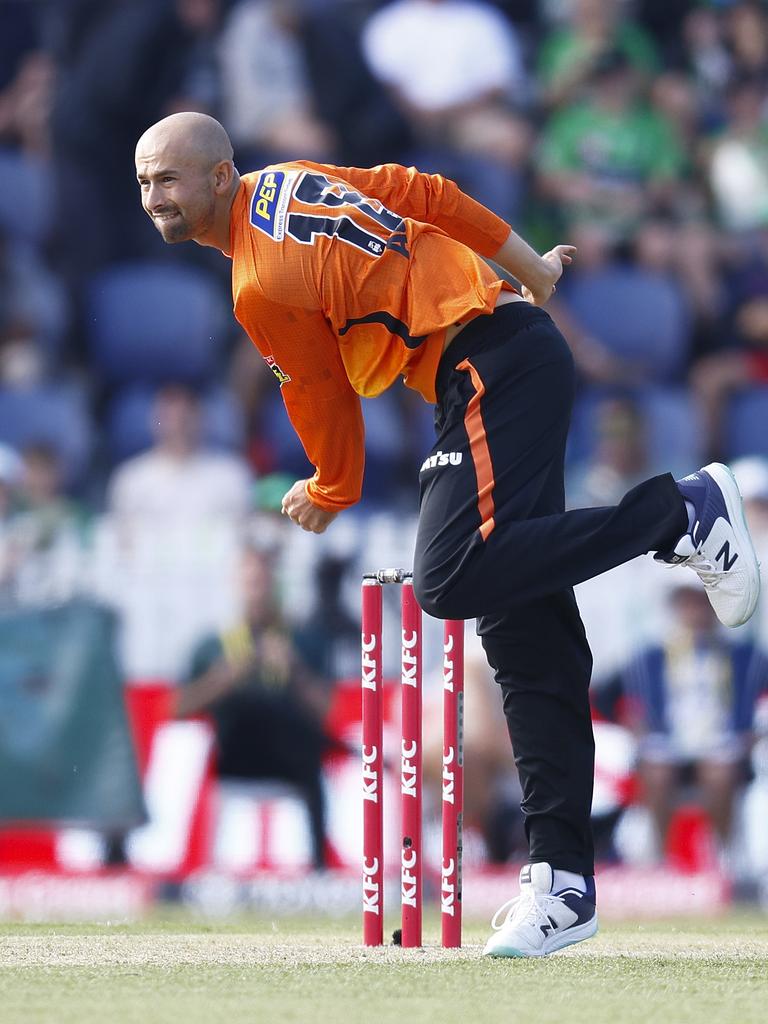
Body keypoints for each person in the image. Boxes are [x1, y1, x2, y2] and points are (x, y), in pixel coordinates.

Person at [134, 111, 761, 958]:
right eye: (143, 182)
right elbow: (421, 192)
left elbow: (319, 398)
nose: (153, 197)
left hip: (486, 366)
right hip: (505, 349)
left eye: (168, 178)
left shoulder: (257, 278)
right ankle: (563, 884)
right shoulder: (291, 179)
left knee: (451, 577)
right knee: (523, 628)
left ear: (218, 176)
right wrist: (529, 264)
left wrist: (329, 490)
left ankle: (680, 514)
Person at [179, 543, 333, 869]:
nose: (258, 592)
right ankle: (206, 870)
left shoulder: (304, 639)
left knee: (311, 761)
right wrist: (224, 677)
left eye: (265, 583)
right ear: (237, 585)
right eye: (251, 582)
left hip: (290, 761)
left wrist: (294, 670)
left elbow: (327, 710)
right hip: (234, 758)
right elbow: (176, 708)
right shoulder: (213, 644)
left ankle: (320, 869)